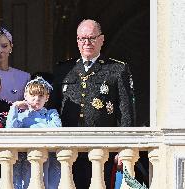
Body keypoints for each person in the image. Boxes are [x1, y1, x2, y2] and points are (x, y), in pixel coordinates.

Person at [51, 19, 137, 189]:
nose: (86, 43)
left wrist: (124, 147)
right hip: (68, 148)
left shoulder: (117, 69)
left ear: (101, 39)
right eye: (82, 38)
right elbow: (53, 107)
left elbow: (126, 111)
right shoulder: (63, 70)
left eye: (91, 38)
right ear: (77, 41)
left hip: (103, 148)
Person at [6, 76, 61, 189]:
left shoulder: (50, 114)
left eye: (41, 96)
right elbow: (10, 129)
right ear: (25, 96)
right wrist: (14, 107)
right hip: (26, 158)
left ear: (47, 98)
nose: (37, 99)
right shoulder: (21, 116)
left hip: (46, 158)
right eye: (33, 95)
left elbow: (56, 129)